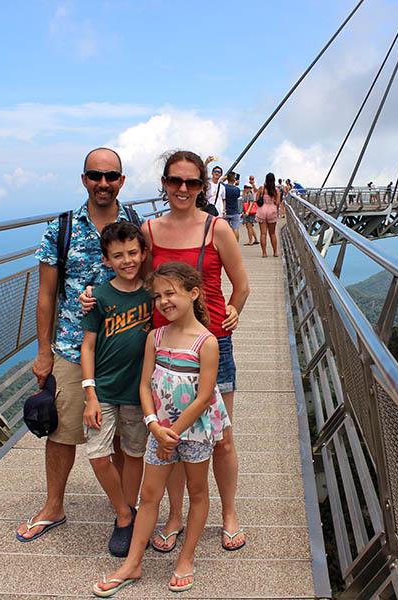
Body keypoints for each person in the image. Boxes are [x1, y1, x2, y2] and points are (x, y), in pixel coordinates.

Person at [17, 147, 135, 543]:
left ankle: (126, 506)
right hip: (71, 348)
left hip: (126, 348)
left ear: (122, 180)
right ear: (84, 179)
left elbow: (147, 281)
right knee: (63, 431)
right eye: (95, 175)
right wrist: (43, 351)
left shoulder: (137, 225)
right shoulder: (61, 229)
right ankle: (54, 506)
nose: (104, 183)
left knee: (123, 434)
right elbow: (45, 296)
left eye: (111, 176)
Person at [92, 262, 231, 597]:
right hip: (159, 430)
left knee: (198, 491)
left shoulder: (206, 342)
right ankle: (133, 564)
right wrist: (154, 425)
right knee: (149, 495)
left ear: (193, 293)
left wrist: (174, 434)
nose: (164, 301)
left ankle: (186, 559)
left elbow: (204, 396)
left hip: (193, 432)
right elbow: (144, 385)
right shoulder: (155, 337)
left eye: (171, 293)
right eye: (157, 296)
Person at [145, 150, 249, 554]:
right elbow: (132, 275)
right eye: (175, 181)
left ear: (203, 186)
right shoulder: (149, 230)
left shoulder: (217, 229)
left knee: (221, 437)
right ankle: (175, 515)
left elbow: (241, 284)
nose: (182, 189)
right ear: (165, 184)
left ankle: (228, 514)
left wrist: (234, 311)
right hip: (165, 347)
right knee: (170, 436)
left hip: (212, 344)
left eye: (191, 182)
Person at [80, 222, 151, 557]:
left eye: (133, 253)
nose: (127, 260)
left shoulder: (153, 294)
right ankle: (123, 512)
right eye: (118, 255)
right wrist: (89, 394)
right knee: (98, 454)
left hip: (139, 392)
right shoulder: (99, 296)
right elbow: (89, 346)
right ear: (106, 260)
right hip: (104, 391)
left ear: (143, 253)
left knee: (135, 453)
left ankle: (130, 511)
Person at [256, 172, 281, 258]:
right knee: (272, 233)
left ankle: (264, 253)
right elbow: (277, 203)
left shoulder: (262, 188)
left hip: (262, 210)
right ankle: (275, 252)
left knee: (263, 234)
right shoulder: (276, 190)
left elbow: (257, 199)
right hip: (272, 211)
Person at [222, 172, 242, 241]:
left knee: (226, 230)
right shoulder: (237, 189)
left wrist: (223, 178)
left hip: (226, 211)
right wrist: (236, 185)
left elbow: (220, 182)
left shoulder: (224, 187)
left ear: (227, 179)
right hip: (235, 212)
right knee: (235, 229)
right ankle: (236, 244)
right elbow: (238, 196)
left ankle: (227, 245)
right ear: (234, 180)